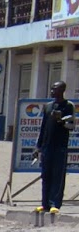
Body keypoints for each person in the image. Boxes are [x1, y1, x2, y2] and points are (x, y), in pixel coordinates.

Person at [35, 80, 74, 214]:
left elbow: (71, 125)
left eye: (55, 89)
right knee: (46, 175)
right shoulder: (48, 106)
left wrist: (61, 121)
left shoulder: (68, 106)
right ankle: (45, 204)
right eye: (52, 89)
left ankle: (55, 204)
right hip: (47, 146)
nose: (52, 91)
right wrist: (38, 146)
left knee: (58, 175)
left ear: (62, 90)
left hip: (60, 147)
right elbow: (43, 127)